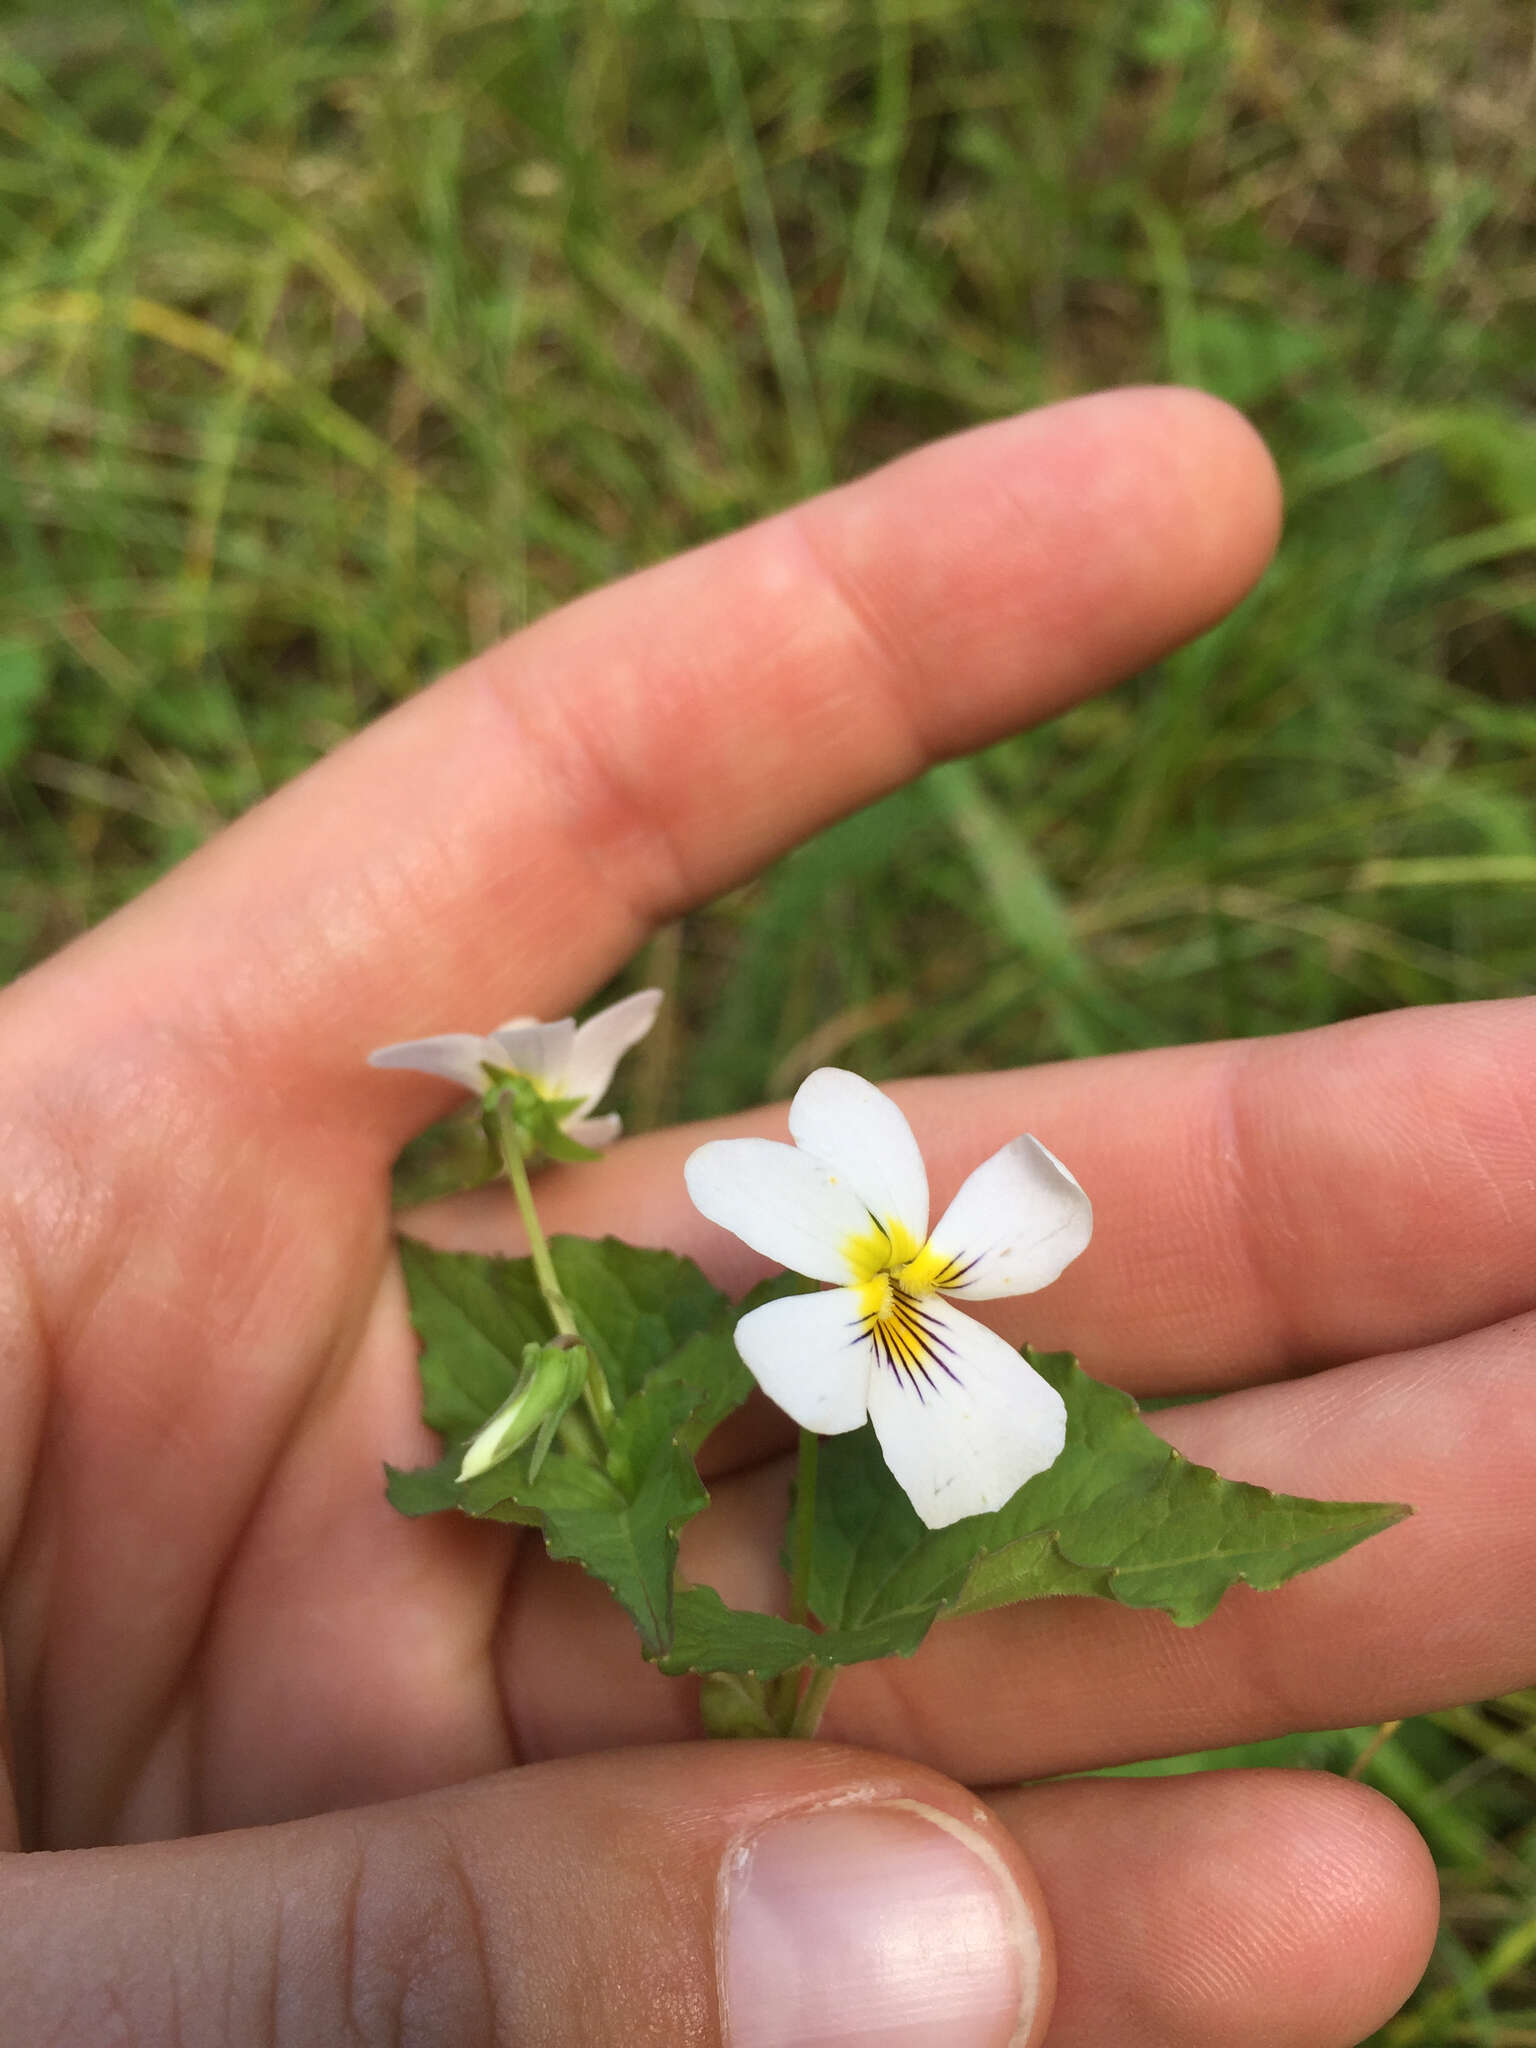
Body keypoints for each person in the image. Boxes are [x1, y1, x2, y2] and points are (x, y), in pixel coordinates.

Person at [6, 382, 1519, 2046]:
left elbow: (890, 1289)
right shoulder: (865, 1307)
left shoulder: (897, 1290)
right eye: (893, 1276)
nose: (913, 1287)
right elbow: (808, 1326)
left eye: (921, 1275)